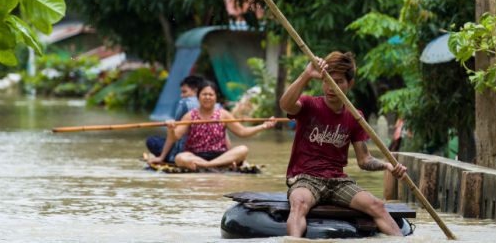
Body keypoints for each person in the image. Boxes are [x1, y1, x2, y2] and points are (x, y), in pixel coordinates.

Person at [279, 51, 408, 237]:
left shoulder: (356, 116)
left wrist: (388, 165)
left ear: (350, 84)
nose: (332, 87)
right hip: (306, 178)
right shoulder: (309, 105)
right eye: (328, 81)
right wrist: (307, 74)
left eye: (338, 81)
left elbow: (364, 160)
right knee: (299, 203)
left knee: (377, 206)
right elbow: (285, 105)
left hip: (338, 182)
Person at [147, 80, 275, 170]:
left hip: (220, 156)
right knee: (180, 158)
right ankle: (212, 165)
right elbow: (175, 137)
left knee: (243, 149)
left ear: (215, 97)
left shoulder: (224, 115)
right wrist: (171, 128)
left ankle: (209, 165)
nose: (207, 97)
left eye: (211, 94)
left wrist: (262, 126)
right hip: (196, 156)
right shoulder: (190, 116)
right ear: (198, 97)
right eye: (204, 94)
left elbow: (242, 132)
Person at [145, 75, 203, 163]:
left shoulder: (184, 103)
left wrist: (161, 157)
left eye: (184, 92)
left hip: (184, 151)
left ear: (195, 90)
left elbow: (173, 135)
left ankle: (167, 156)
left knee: (152, 140)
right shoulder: (217, 106)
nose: (182, 95)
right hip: (205, 150)